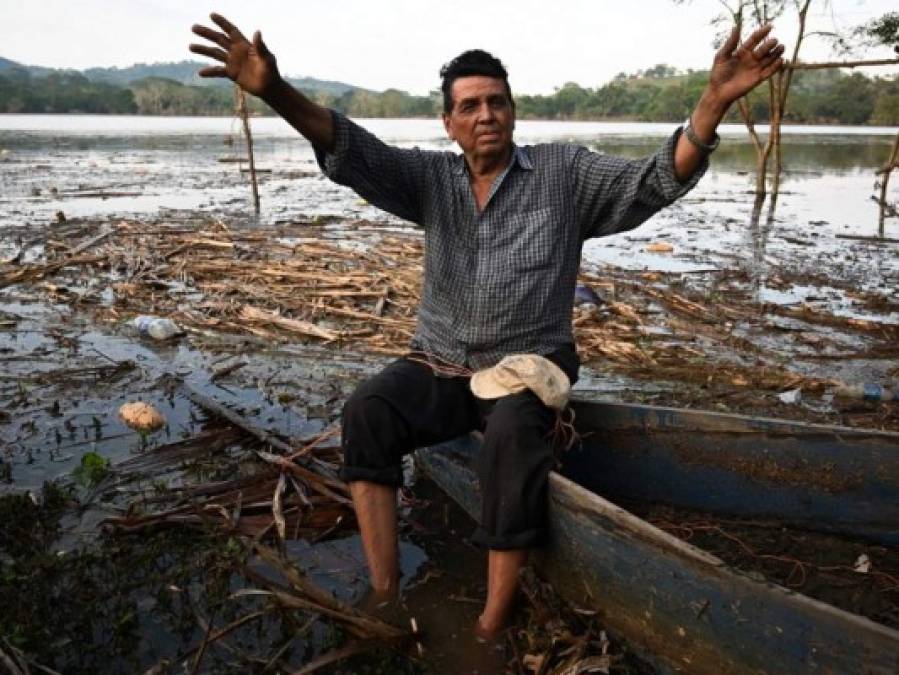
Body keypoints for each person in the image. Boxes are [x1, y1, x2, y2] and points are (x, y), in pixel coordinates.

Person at [190, 13, 784, 639]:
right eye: (469, 106)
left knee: (508, 439)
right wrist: (276, 91)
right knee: (366, 411)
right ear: (449, 123)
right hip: (441, 362)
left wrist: (714, 100)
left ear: (513, 111)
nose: (485, 115)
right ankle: (385, 590)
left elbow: (656, 178)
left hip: (528, 367)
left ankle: (491, 621)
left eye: (496, 102)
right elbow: (351, 150)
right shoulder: (428, 180)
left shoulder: (564, 175)